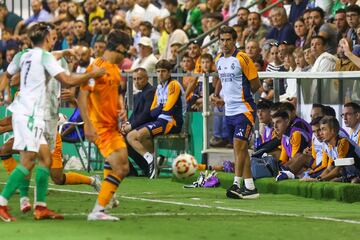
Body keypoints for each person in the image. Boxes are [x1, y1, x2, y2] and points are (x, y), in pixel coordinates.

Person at [0, 22, 105, 222]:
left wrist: (64, 51)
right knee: (29, 160)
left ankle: (40, 207)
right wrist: (93, 74)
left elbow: (9, 75)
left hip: (29, 112)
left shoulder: (25, 56)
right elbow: (68, 80)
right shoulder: (46, 57)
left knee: (45, 159)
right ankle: (3, 203)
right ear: (48, 38)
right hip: (31, 114)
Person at [78, 29, 131, 221]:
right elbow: (82, 96)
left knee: (118, 164)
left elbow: (117, 92)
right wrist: (87, 125)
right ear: (118, 48)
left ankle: (106, 198)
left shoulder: (115, 70)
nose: (125, 57)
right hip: (100, 127)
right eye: (125, 52)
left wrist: (121, 108)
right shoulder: (96, 68)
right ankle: (98, 210)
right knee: (122, 167)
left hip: (112, 126)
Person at [214, 26, 261, 199]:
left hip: (244, 109)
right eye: (222, 40)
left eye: (228, 40)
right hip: (229, 110)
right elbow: (222, 80)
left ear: (234, 41)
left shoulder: (242, 58)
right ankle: (250, 188)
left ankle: (236, 183)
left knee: (240, 146)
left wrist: (244, 97)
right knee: (239, 149)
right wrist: (220, 97)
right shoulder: (218, 59)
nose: (225, 43)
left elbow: (256, 84)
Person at [126, 60, 185, 179]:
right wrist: (161, 109)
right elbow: (152, 112)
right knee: (132, 136)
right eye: (158, 71)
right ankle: (153, 159)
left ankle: (151, 160)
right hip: (160, 121)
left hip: (172, 122)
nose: (160, 74)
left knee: (136, 135)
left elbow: (168, 109)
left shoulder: (174, 85)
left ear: (169, 73)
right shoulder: (159, 88)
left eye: (163, 71)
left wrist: (160, 108)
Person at [122, 68, 156, 176]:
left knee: (127, 139)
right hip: (140, 125)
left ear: (146, 79)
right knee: (120, 140)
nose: (136, 81)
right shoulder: (139, 94)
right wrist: (127, 124)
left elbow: (146, 115)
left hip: (148, 126)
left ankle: (146, 167)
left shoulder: (150, 92)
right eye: (134, 79)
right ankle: (134, 170)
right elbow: (135, 115)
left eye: (139, 78)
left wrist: (131, 126)